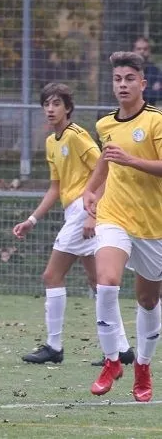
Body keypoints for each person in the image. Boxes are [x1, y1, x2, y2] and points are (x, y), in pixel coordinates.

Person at [14, 83, 133, 365]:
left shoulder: (78, 136)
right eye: (46, 104)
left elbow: (106, 170)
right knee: (98, 282)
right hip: (73, 212)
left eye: (56, 103)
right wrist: (32, 219)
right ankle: (122, 350)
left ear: (68, 108)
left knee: (51, 276)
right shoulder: (51, 141)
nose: (50, 109)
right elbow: (55, 188)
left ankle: (54, 346)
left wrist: (93, 213)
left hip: (85, 210)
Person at [83, 51, 162, 402]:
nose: (123, 85)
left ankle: (143, 367)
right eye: (117, 79)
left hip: (153, 225)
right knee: (108, 281)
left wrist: (132, 160)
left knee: (148, 300)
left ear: (142, 83)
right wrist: (90, 190)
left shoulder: (157, 121)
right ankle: (112, 359)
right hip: (114, 215)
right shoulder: (105, 125)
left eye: (130, 78)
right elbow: (106, 159)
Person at [134, 36, 162, 105]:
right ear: (134, 51)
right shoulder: (128, 70)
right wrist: (151, 89)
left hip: (149, 112)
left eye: (145, 49)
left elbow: (160, 95)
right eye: (139, 49)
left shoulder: (156, 71)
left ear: (149, 51)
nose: (142, 51)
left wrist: (141, 91)